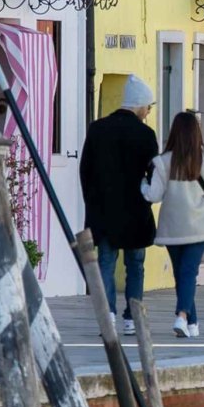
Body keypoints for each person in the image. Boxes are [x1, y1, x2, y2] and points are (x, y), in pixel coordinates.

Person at [79, 74, 158, 336]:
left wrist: (91, 202)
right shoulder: (146, 135)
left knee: (106, 263)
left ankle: (108, 314)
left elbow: (85, 171)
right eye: (149, 107)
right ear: (139, 105)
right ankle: (132, 316)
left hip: (104, 211)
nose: (148, 112)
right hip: (136, 211)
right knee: (135, 264)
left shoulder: (97, 129)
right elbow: (152, 174)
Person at [142, 111, 204, 338]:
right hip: (200, 227)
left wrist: (142, 186)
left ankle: (183, 317)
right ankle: (190, 322)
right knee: (187, 273)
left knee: (183, 273)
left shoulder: (161, 162)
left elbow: (154, 195)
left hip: (173, 228)